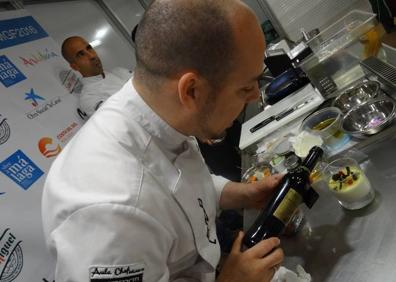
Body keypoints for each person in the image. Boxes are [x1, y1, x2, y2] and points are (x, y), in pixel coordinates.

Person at [42, 1, 284, 281]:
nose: (255, 97)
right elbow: (153, 196)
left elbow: (180, 188)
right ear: (192, 91)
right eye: (246, 87)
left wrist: (243, 194)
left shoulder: (158, 111)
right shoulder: (114, 214)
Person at [61, 36, 131, 118]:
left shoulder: (119, 71)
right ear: (75, 66)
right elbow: (123, 117)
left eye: (89, 48)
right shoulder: (89, 98)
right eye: (81, 54)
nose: (91, 56)